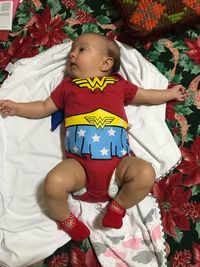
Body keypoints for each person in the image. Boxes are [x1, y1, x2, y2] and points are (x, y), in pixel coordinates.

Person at [0, 32, 188, 242]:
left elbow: (145, 95)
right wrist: (17, 107)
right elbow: (44, 107)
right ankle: (65, 218)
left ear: (105, 63)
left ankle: (119, 205)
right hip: (79, 169)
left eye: (81, 50)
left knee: (145, 173)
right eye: (72, 50)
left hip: (119, 168)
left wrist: (169, 94)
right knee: (53, 183)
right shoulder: (67, 87)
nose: (71, 55)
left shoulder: (119, 85)